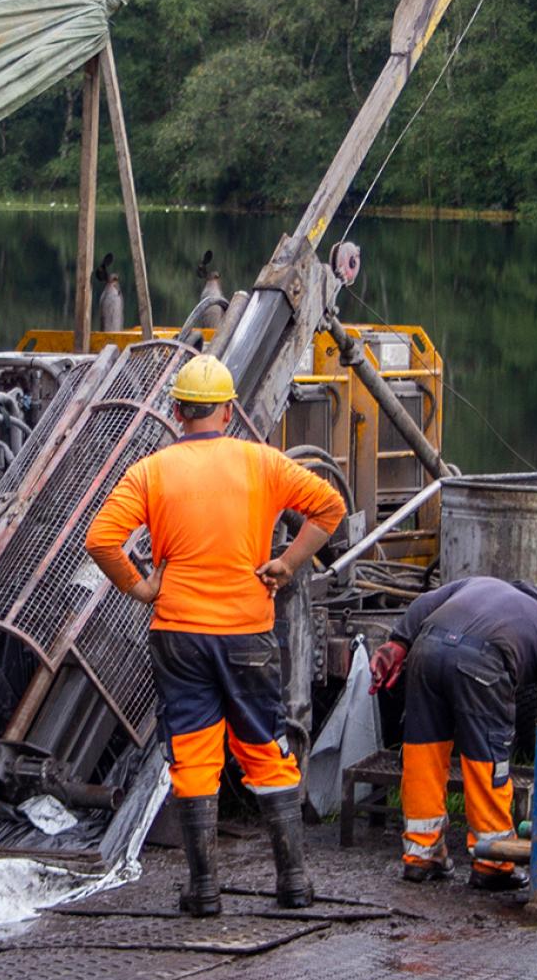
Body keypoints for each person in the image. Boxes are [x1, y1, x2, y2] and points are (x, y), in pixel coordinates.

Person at [85, 353, 345, 914]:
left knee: (194, 755)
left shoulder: (150, 472)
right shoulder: (263, 463)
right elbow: (330, 507)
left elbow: (102, 539)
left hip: (178, 634)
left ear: (178, 411)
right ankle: (294, 883)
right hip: (248, 633)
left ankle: (204, 890)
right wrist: (288, 563)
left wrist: (141, 588)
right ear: (227, 411)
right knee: (264, 749)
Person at [373, 575, 537, 890]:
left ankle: (421, 854)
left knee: (424, 752)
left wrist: (397, 642)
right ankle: (494, 861)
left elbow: (423, 603)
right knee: (486, 756)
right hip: (484, 662)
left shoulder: (480, 583)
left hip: (425, 651)